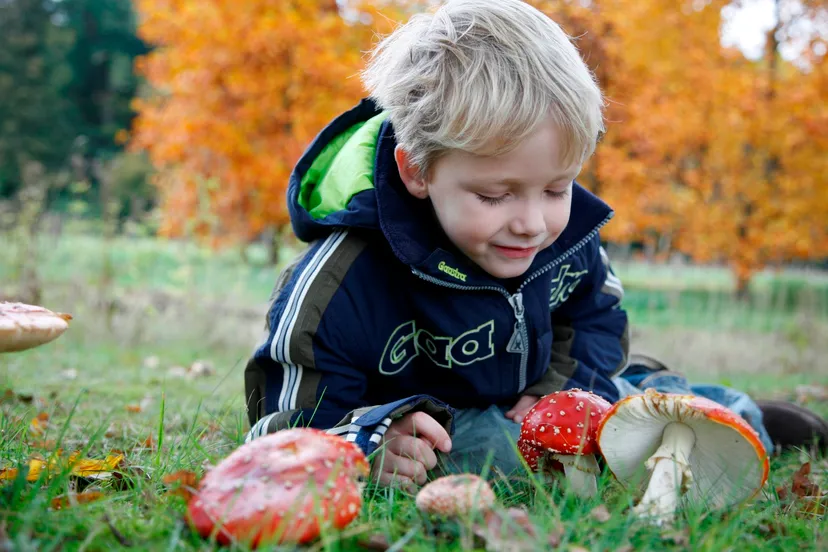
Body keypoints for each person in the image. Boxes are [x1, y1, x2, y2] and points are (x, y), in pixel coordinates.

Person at [243, 0, 827, 488]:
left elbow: (597, 317)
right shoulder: (340, 282)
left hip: (539, 394)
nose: (532, 223)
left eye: (555, 187)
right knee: (488, 451)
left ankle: (748, 419)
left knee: (640, 406)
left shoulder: (564, 236)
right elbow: (287, 424)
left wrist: (560, 393)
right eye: (496, 195)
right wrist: (371, 443)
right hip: (438, 423)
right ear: (418, 170)